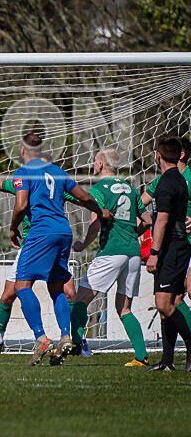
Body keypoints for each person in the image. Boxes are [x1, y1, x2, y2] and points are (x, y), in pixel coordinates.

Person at [9, 133, 106, 366]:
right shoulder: (59, 172)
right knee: (56, 286)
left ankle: (41, 338)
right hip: (64, 231)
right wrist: (99, 211)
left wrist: (13, 228)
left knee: (21, 285)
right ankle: (65, 336)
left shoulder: (23, 172)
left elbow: (21, 204)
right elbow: (83, 196)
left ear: (23, 151)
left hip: (41, 231)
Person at [0, 155, 82, 357]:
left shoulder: (46, 183)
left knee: (68, 292)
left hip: (45, 241)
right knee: (9, 294)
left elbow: (77, 197)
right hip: (31, 244)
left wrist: (95, 204)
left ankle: (72, 340)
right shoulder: (27, 180)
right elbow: (8, 184)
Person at [71, 148, 152, 366]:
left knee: (81, 299)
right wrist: (131, 235)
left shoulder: (99, 189)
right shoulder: (131, 188)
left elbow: (95, 222)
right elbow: (147, 221)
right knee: (124, 308)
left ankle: (75, 344)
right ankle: (141, 356)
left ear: (99, 165)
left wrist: (83, 244)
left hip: (111, 252)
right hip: (133, 253)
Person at [145, 135, 191, 371]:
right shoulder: (177, 180)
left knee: (164, 304)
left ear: (158, 156)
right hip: (177, 246)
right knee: (169, 305)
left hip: (171, 247)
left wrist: (154, 252)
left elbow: (162, 219)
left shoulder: (167, 182)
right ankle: (167, 361)